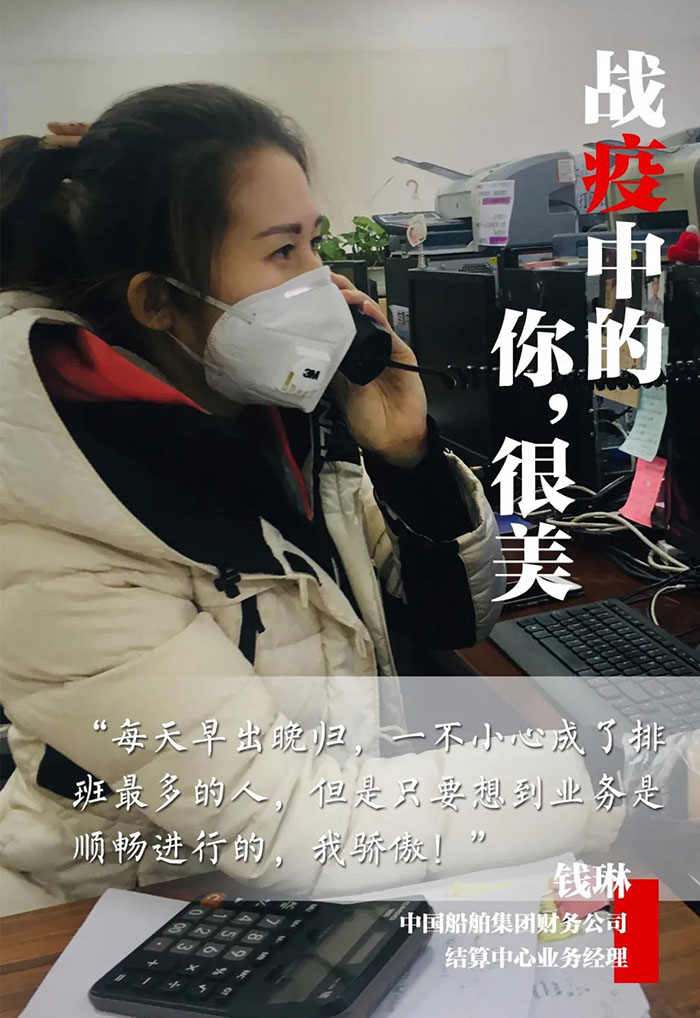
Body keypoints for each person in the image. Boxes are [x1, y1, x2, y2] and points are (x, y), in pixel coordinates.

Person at [0, 83, 686, 908]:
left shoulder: (272, 423)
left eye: (315, 242)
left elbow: (452, 624)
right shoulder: (53, 518)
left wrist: (409, 458)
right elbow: (290, 822)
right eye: (282, 252)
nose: (324, 284)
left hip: (306, 873)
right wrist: (634, 778)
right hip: (127, 912)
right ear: (157, 301)